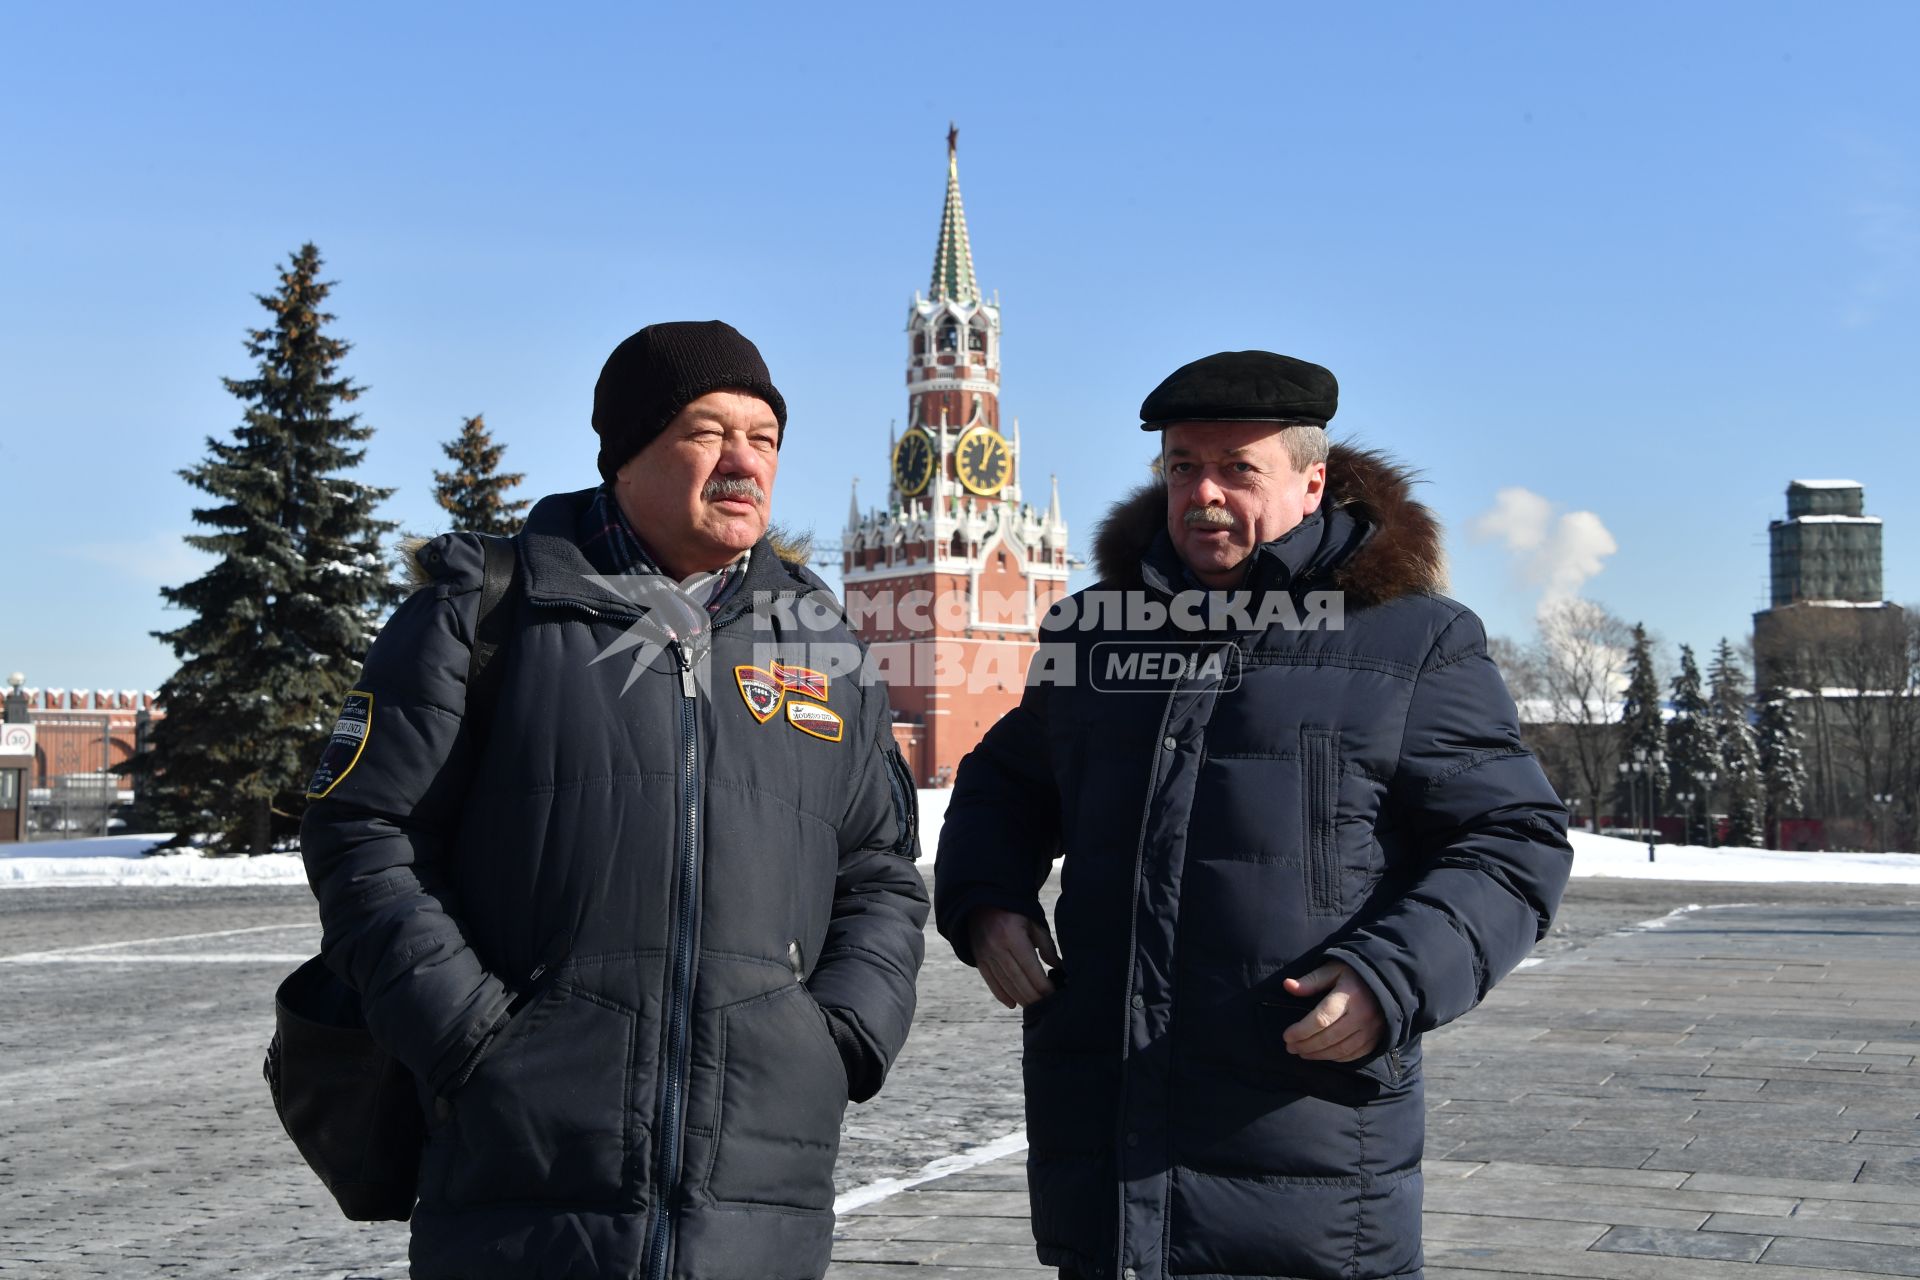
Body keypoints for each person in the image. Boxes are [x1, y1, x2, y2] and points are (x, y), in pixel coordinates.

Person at [301, 321, 928, 1280]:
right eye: (706, 432)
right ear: (627, 450)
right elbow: (365, 833)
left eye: (764, 439)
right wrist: (473, 1038)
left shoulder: (820, 644)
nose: (742, 463)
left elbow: (880, 870)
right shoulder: (489, 612)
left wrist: (838, 1039)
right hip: (523, 1183)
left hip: (758, 1197)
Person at [935, 350, 1573, 1280]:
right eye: (1184, 465)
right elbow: (1005, 784)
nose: (1205, 493)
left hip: (1306, 1163)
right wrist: (985, 901)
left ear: (1311, 483)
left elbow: (1514, 841)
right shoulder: (1095, 634)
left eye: (1240, 468)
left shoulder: (1414, 639)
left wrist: (1391, 980)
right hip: (1107, 1164)